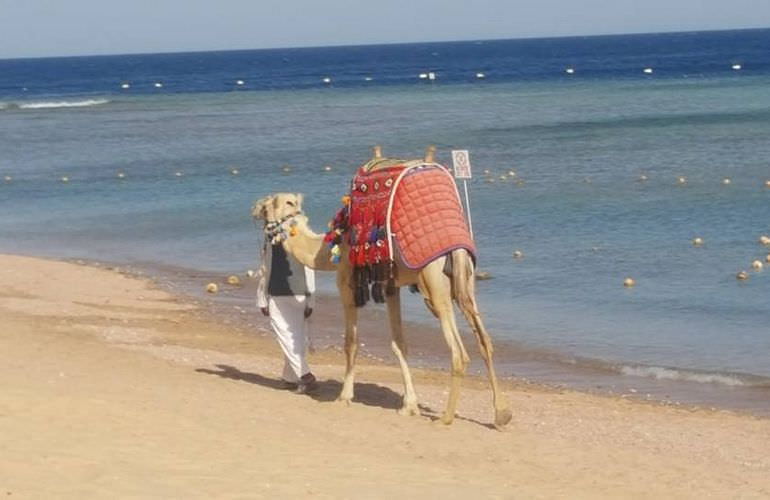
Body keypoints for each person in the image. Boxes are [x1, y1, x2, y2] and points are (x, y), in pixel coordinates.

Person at [256, 235, 318, 394]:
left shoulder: (271, 237)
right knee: (296, 336)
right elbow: (310, 268)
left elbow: (266, 268)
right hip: (301, 293)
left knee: (286, 335)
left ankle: (306, 376)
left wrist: (262, 297)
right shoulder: (301, 235)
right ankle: (289, 377)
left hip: (279, 291)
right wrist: (311, 299)